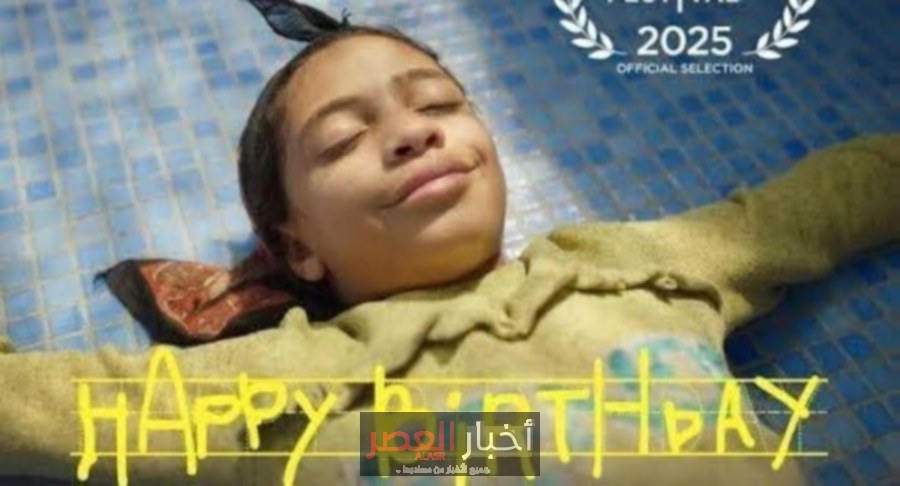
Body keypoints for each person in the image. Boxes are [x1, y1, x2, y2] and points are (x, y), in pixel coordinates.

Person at [1, 1, 897, 484]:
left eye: (436, 104)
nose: (411, 132)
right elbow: (53, 407)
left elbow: (805, 209)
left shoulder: (629, 269)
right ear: (296, 247)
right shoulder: (289, 384)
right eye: (344, 141)